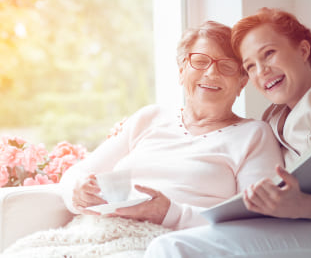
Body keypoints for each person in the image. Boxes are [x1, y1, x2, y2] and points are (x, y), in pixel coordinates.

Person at [2, 20, 284, 257]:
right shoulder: (150, 117)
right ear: (182, 70)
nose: (211, 72)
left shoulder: (253, 135)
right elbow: (79, 173)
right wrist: (77, 191)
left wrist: (170, 213)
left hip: (169, 242)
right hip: (96, 230)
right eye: (199, 61)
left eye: (226, 66)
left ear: (242, 81)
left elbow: (253, 220)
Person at [144, 8, 311, 258]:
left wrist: (304, 205)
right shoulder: (273, 118)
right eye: (250, 66)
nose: (261, 70)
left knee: (170, 249)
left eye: (268, 54)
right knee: (171, 244)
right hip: (308, 225)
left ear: (302, 50)